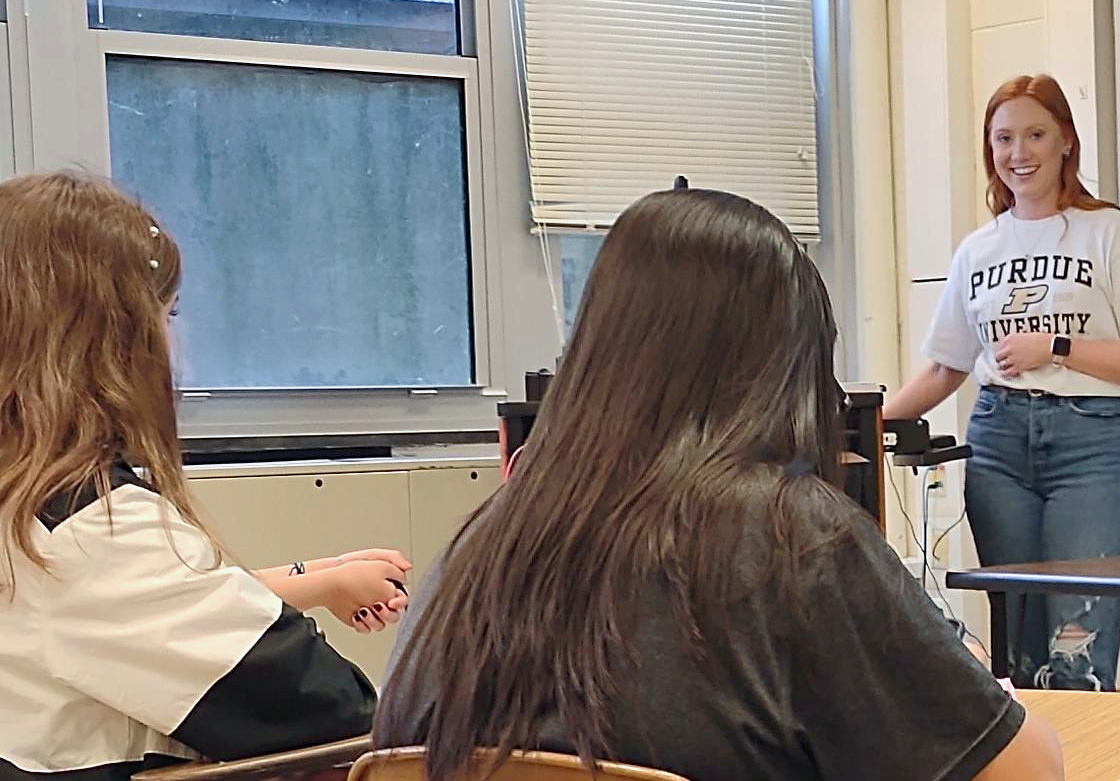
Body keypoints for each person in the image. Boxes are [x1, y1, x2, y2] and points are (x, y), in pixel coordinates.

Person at [373, 188, 1064, 781]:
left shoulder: (480, 543)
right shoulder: (794, 536)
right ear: (787, 370)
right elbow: (1026, 771)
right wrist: (964, 668)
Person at [0, 171, 407, 778]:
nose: (172, 340)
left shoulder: (34, 508)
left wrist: (323, 577)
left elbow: (174, 600)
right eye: (168, 312)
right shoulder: (88, 530)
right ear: (112, 336)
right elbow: (327, 707)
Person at [884, 74, 1120, 692]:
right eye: (1003, 139)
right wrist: (862, 419)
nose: (1019, 153)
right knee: (1013, 642)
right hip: (999, 440)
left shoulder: (1111, 235)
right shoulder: (977, 250)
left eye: (1035, 135)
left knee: (1077, 640)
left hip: (1091, 446)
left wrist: (1057, 348)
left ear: (1066, 142)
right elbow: (946, 368)